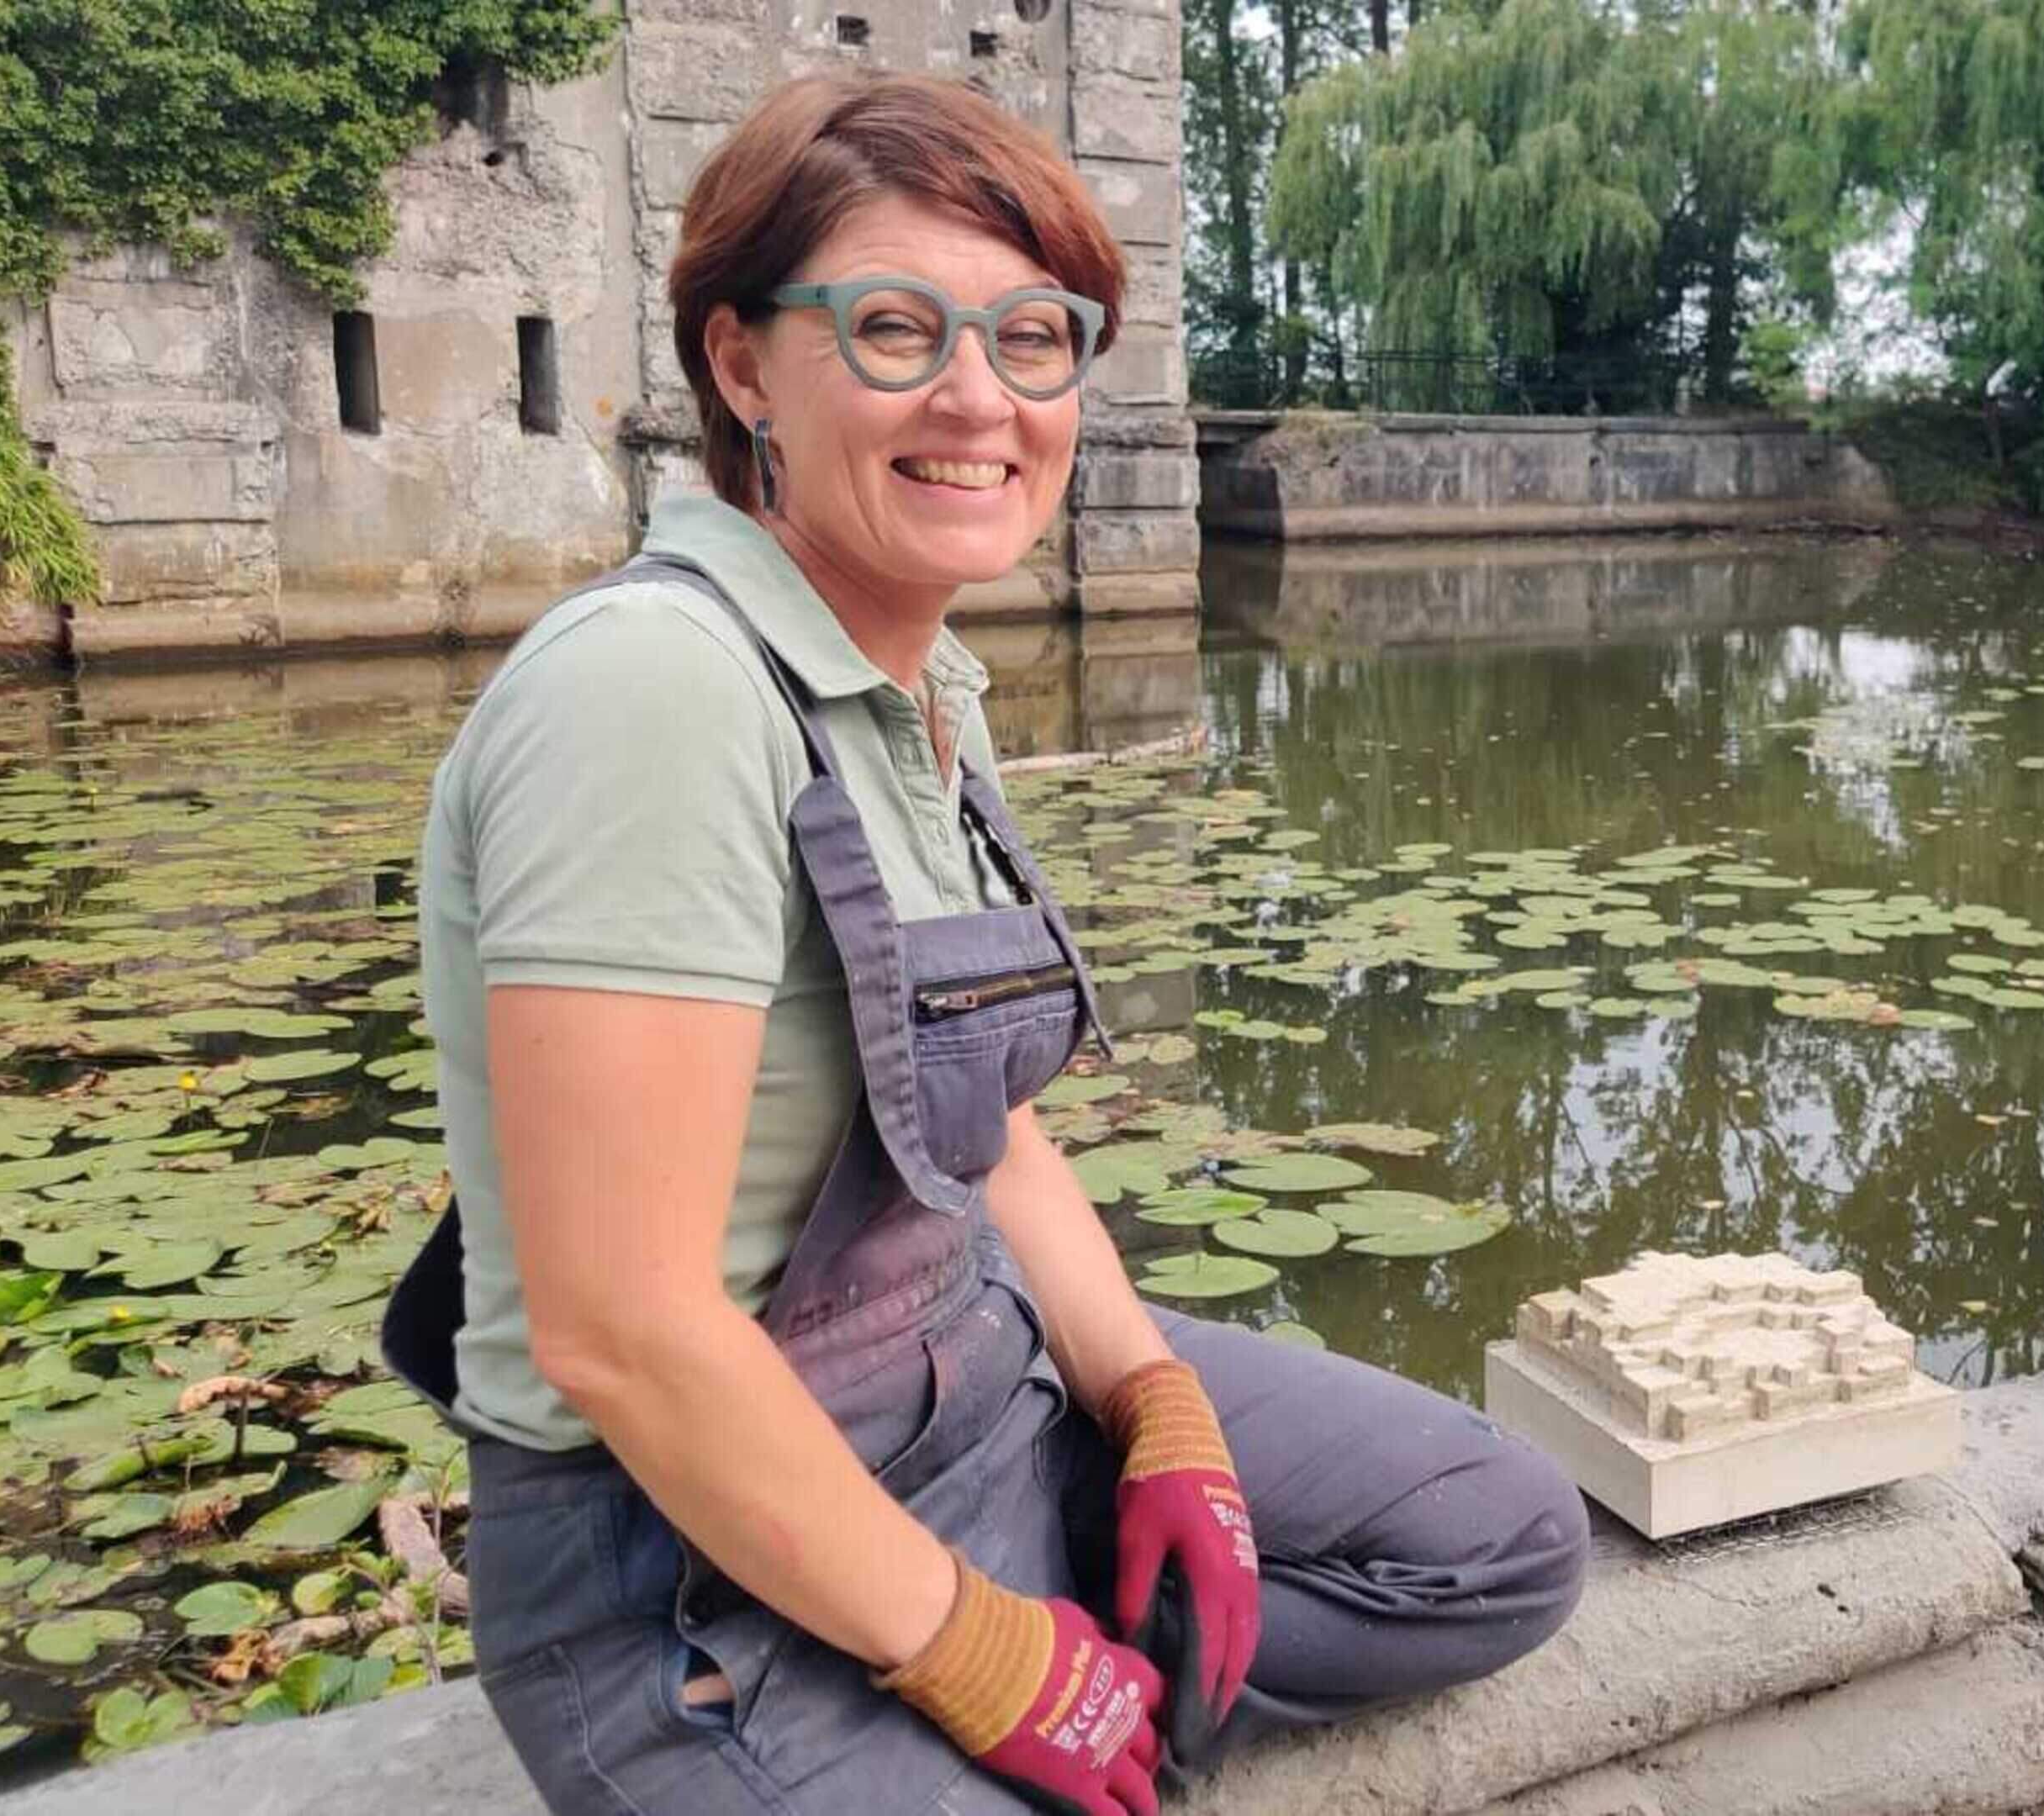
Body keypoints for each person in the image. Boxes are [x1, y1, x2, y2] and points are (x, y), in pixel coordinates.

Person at [381, 72, 1587, 1816]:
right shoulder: (654, 690)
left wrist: (1153, 1396)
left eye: (1036, 338)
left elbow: (980, 1130)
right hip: (679, 1552)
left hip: (981, 1400)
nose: (980, 396)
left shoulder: (920, 681)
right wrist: (975, 1653)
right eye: (893, 328)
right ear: (740, 366)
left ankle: (1084, 1658)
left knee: (1497, 1541)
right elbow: (622, 1332)